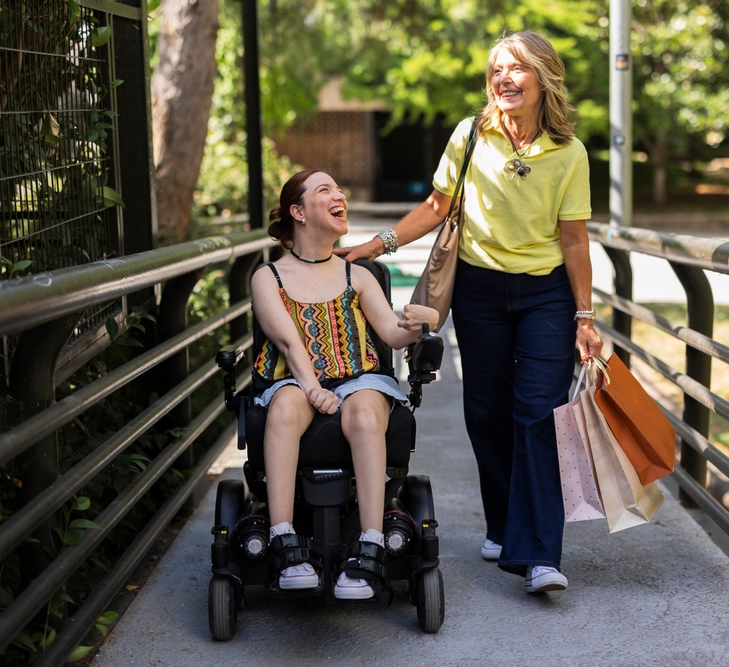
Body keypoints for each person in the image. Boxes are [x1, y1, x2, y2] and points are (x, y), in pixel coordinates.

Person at [340, 30, 603, 594]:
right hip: (479, 291)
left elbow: (574, 240)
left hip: (546, 296)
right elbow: (438, 206)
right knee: (486, 408)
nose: (504, 78)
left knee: (537, 412)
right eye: (496, 69)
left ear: (544, 77)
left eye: (517, 68)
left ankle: (538, 555)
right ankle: (506, 523)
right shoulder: (471, 134)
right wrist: (374, 245)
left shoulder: (569, 153)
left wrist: (585, 316)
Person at [253, 169, 439, 600]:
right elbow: (286, 339)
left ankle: (371, 544)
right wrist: (312, 386)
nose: (340, 195)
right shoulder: (269, 277)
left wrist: (420, 323)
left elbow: (392, 333)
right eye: (325, 191)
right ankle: (284, 540)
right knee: (283, 407)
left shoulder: (358, 275)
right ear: (298, 212)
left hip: (359, 377)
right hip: (293, 381)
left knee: (366, 409)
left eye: (339, 189)